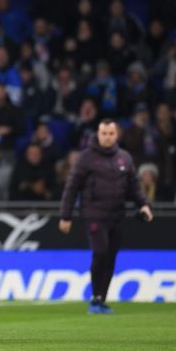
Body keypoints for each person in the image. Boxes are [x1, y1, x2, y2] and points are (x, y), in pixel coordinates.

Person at [59, 119, 154, 314]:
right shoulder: (86, 158)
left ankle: (101, 299)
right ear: (98, 134)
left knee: (110, 257)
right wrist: (65, 216)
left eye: (111, 133)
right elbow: (72, 187)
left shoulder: (124, 158)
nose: (107, 137)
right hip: (93, 214)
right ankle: (95, 297)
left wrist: (144, 204)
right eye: (104, 133)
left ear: (116, 134)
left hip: (117, 215)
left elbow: (134, 186)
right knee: (100, 252)